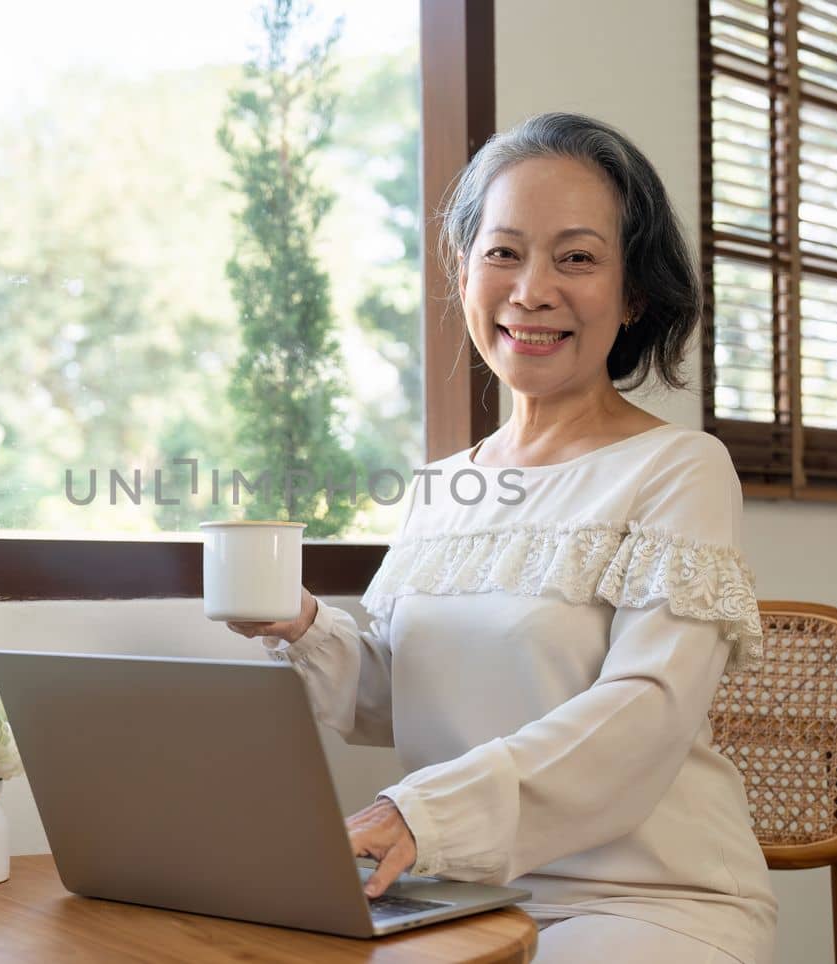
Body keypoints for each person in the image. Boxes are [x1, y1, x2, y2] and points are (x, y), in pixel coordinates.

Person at [225, 112, 777, 964]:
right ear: (463, 271)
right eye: (504, 252)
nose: (533, 290)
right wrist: (303, 627)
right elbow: (401, 696)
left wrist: (419, 814)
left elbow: (645, 714)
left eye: (578, 257)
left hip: (646, 900)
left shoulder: (680, 468)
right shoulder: (442, 487)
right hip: (455, 894)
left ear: (634, 294)